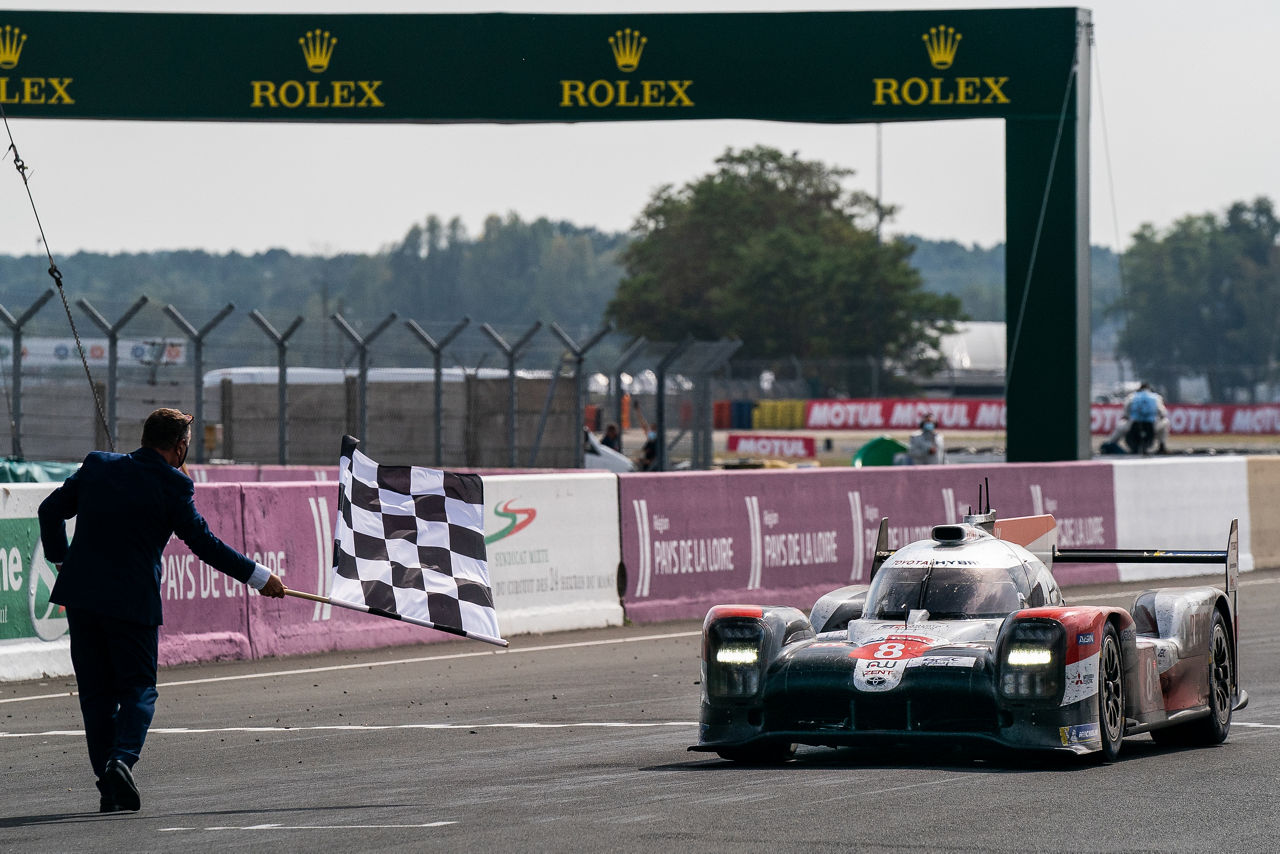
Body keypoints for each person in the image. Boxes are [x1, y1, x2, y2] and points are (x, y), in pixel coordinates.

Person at [38, 408, 287, 814]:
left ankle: (108, 783)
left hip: (81, 598)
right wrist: (258, 577)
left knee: (96, 697)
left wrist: (62, 561)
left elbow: (50, 511)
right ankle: (121, 761)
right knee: (138, 689)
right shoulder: (173, 485)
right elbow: (204, 544)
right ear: (180, 445)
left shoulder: (98, 464)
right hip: (131, 604)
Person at [1101, 383, 1169, 454]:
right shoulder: (1156, 397)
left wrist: (1127, 416)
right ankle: (1161, 445)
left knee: (1120, 426)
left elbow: (1126, 411)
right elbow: (1162, 412)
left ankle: (1111, 443)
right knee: (1166, 421)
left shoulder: (1132, 396)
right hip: (1152, 424)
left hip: (1133, 424)